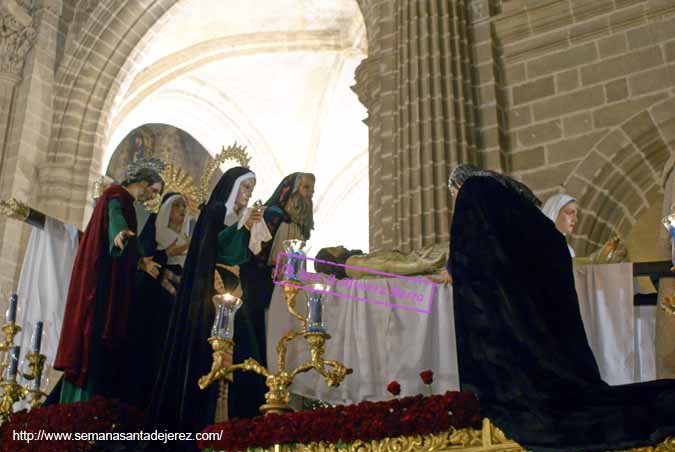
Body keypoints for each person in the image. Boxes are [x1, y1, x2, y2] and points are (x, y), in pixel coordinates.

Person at [448, 163, 675, 452]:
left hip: (529, 396)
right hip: (560, 380)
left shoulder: (482, 208)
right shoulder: (544, 238)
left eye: (458, 202)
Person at [142, 166, 263, 452]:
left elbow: (243, 255)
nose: (248, 195)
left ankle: (239, 425)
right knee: (210, 356)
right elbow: (213, 249)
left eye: (252, 190)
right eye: (246, 188)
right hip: (213, 291)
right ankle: (207, 423)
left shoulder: (236, 217)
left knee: (244, 355)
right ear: (233, 187)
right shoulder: (216, 211)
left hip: (234, 289)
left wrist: (249, 230)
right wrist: (242, 229)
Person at [53, 167, 163, 406]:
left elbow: (130, 240)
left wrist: (141, 260)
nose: (152, 197)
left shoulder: (126, 202)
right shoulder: (116, 196)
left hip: (110, 281)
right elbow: (116, 220)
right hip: (101, 286)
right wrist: (119, 233)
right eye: (153, 190)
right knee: (91, 345)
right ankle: (78, 409)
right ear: (142, 182)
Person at [234, 172, 315, 419]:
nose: (309, 194)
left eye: (312, 189)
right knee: (262, 341)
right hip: (260, 289)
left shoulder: (297, 225)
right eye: (305, 187)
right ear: (289, 191)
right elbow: (254, 252)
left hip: (285, 290)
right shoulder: (272, 215)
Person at [127, 192, 190, 408]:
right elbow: (145, 265)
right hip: (154, 302)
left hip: (178, 302)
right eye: (176, 206)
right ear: (166, 209)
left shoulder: (188, 238)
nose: (182, 211)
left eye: (184, 206)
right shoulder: (155, 232)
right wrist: (171, 252)